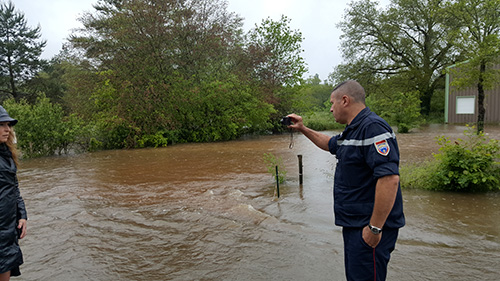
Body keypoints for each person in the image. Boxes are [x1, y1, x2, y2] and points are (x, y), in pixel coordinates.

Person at [288, 80, 404, 281]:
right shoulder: (354, 130)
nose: (331, 109)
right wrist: (302, 128)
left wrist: (374, 228)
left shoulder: (373, 128)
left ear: (345, 100)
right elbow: (330, 144)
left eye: (332, 103)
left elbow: (389, 179)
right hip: (356, 224)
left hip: (369, 227)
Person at [0, 106, 27, 281]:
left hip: (8, 230)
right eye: (1, 124)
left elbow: (14, 186)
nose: (7, 129)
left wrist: (22, 215)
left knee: (6, 268)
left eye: (8, 124)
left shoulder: (7, 153)